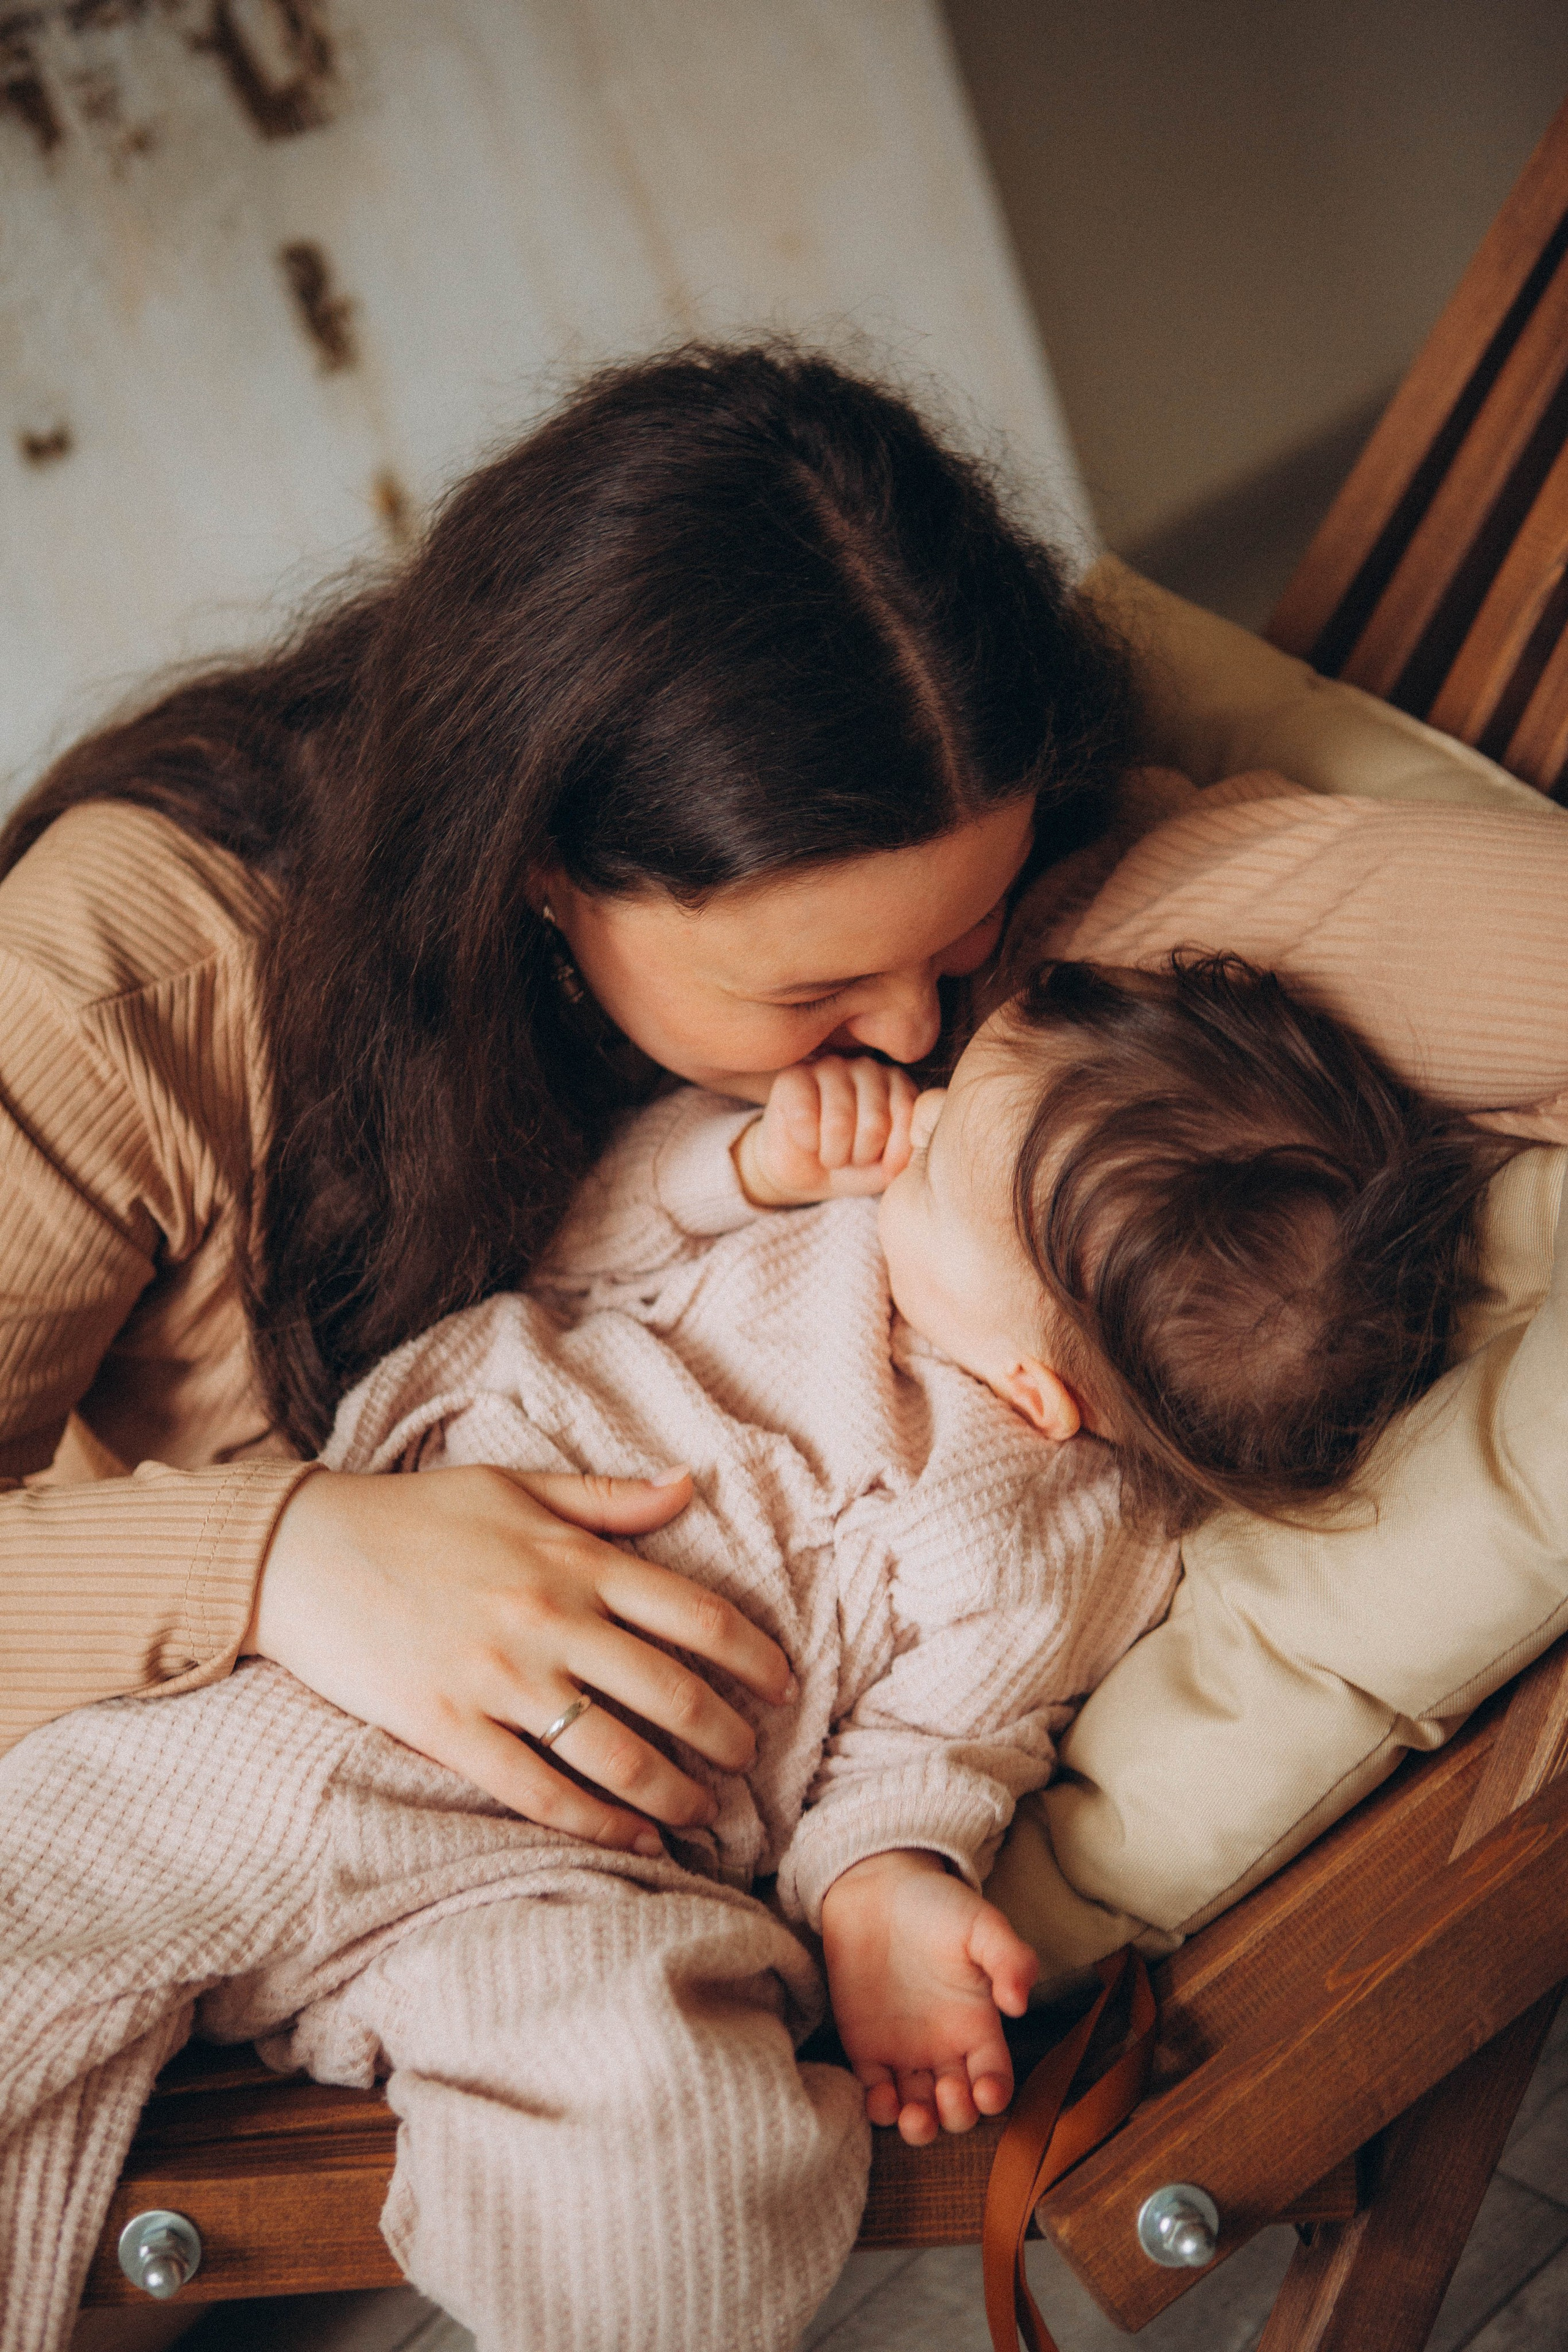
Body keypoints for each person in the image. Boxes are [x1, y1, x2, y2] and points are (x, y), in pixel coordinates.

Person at [9, 941, 1525, 2352]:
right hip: (311, 1690)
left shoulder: (1053, 1546)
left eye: (939, 1162)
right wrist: (737, 1165)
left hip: (556, 1873)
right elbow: (569, 1247)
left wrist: (884, 1894)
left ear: (1034, 1390)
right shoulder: (805, 1219)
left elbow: (933, 1747)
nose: (907, 1131)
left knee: (686, 2169)